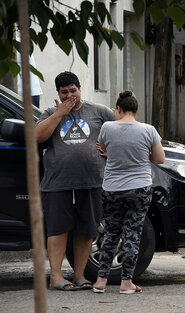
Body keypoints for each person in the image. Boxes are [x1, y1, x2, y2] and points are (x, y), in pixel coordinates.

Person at [36, 71, 115, 291]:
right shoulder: (50, 112)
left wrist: (113, 152)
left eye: (73, 90)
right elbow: (37, 136)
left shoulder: (100, 112)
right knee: (57, 229)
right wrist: (59, 114)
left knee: (86, 228)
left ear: (80, 89)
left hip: (92, 181)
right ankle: (56, 276)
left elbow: (121, 132)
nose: (69, 95)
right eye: (64, 92)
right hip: (57, 182)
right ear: (58, 93)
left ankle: (79, 275)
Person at [92, 91, 165, 294]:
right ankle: (126, 283)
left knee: (111, 233)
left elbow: (107, 149)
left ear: (118, 109)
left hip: (112, 188)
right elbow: (160, 159)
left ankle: (100, 281)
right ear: (136, 110)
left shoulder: (107, 127)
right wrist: (143, 153)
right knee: (133, 234)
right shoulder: (148, 130)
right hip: (139, 189)